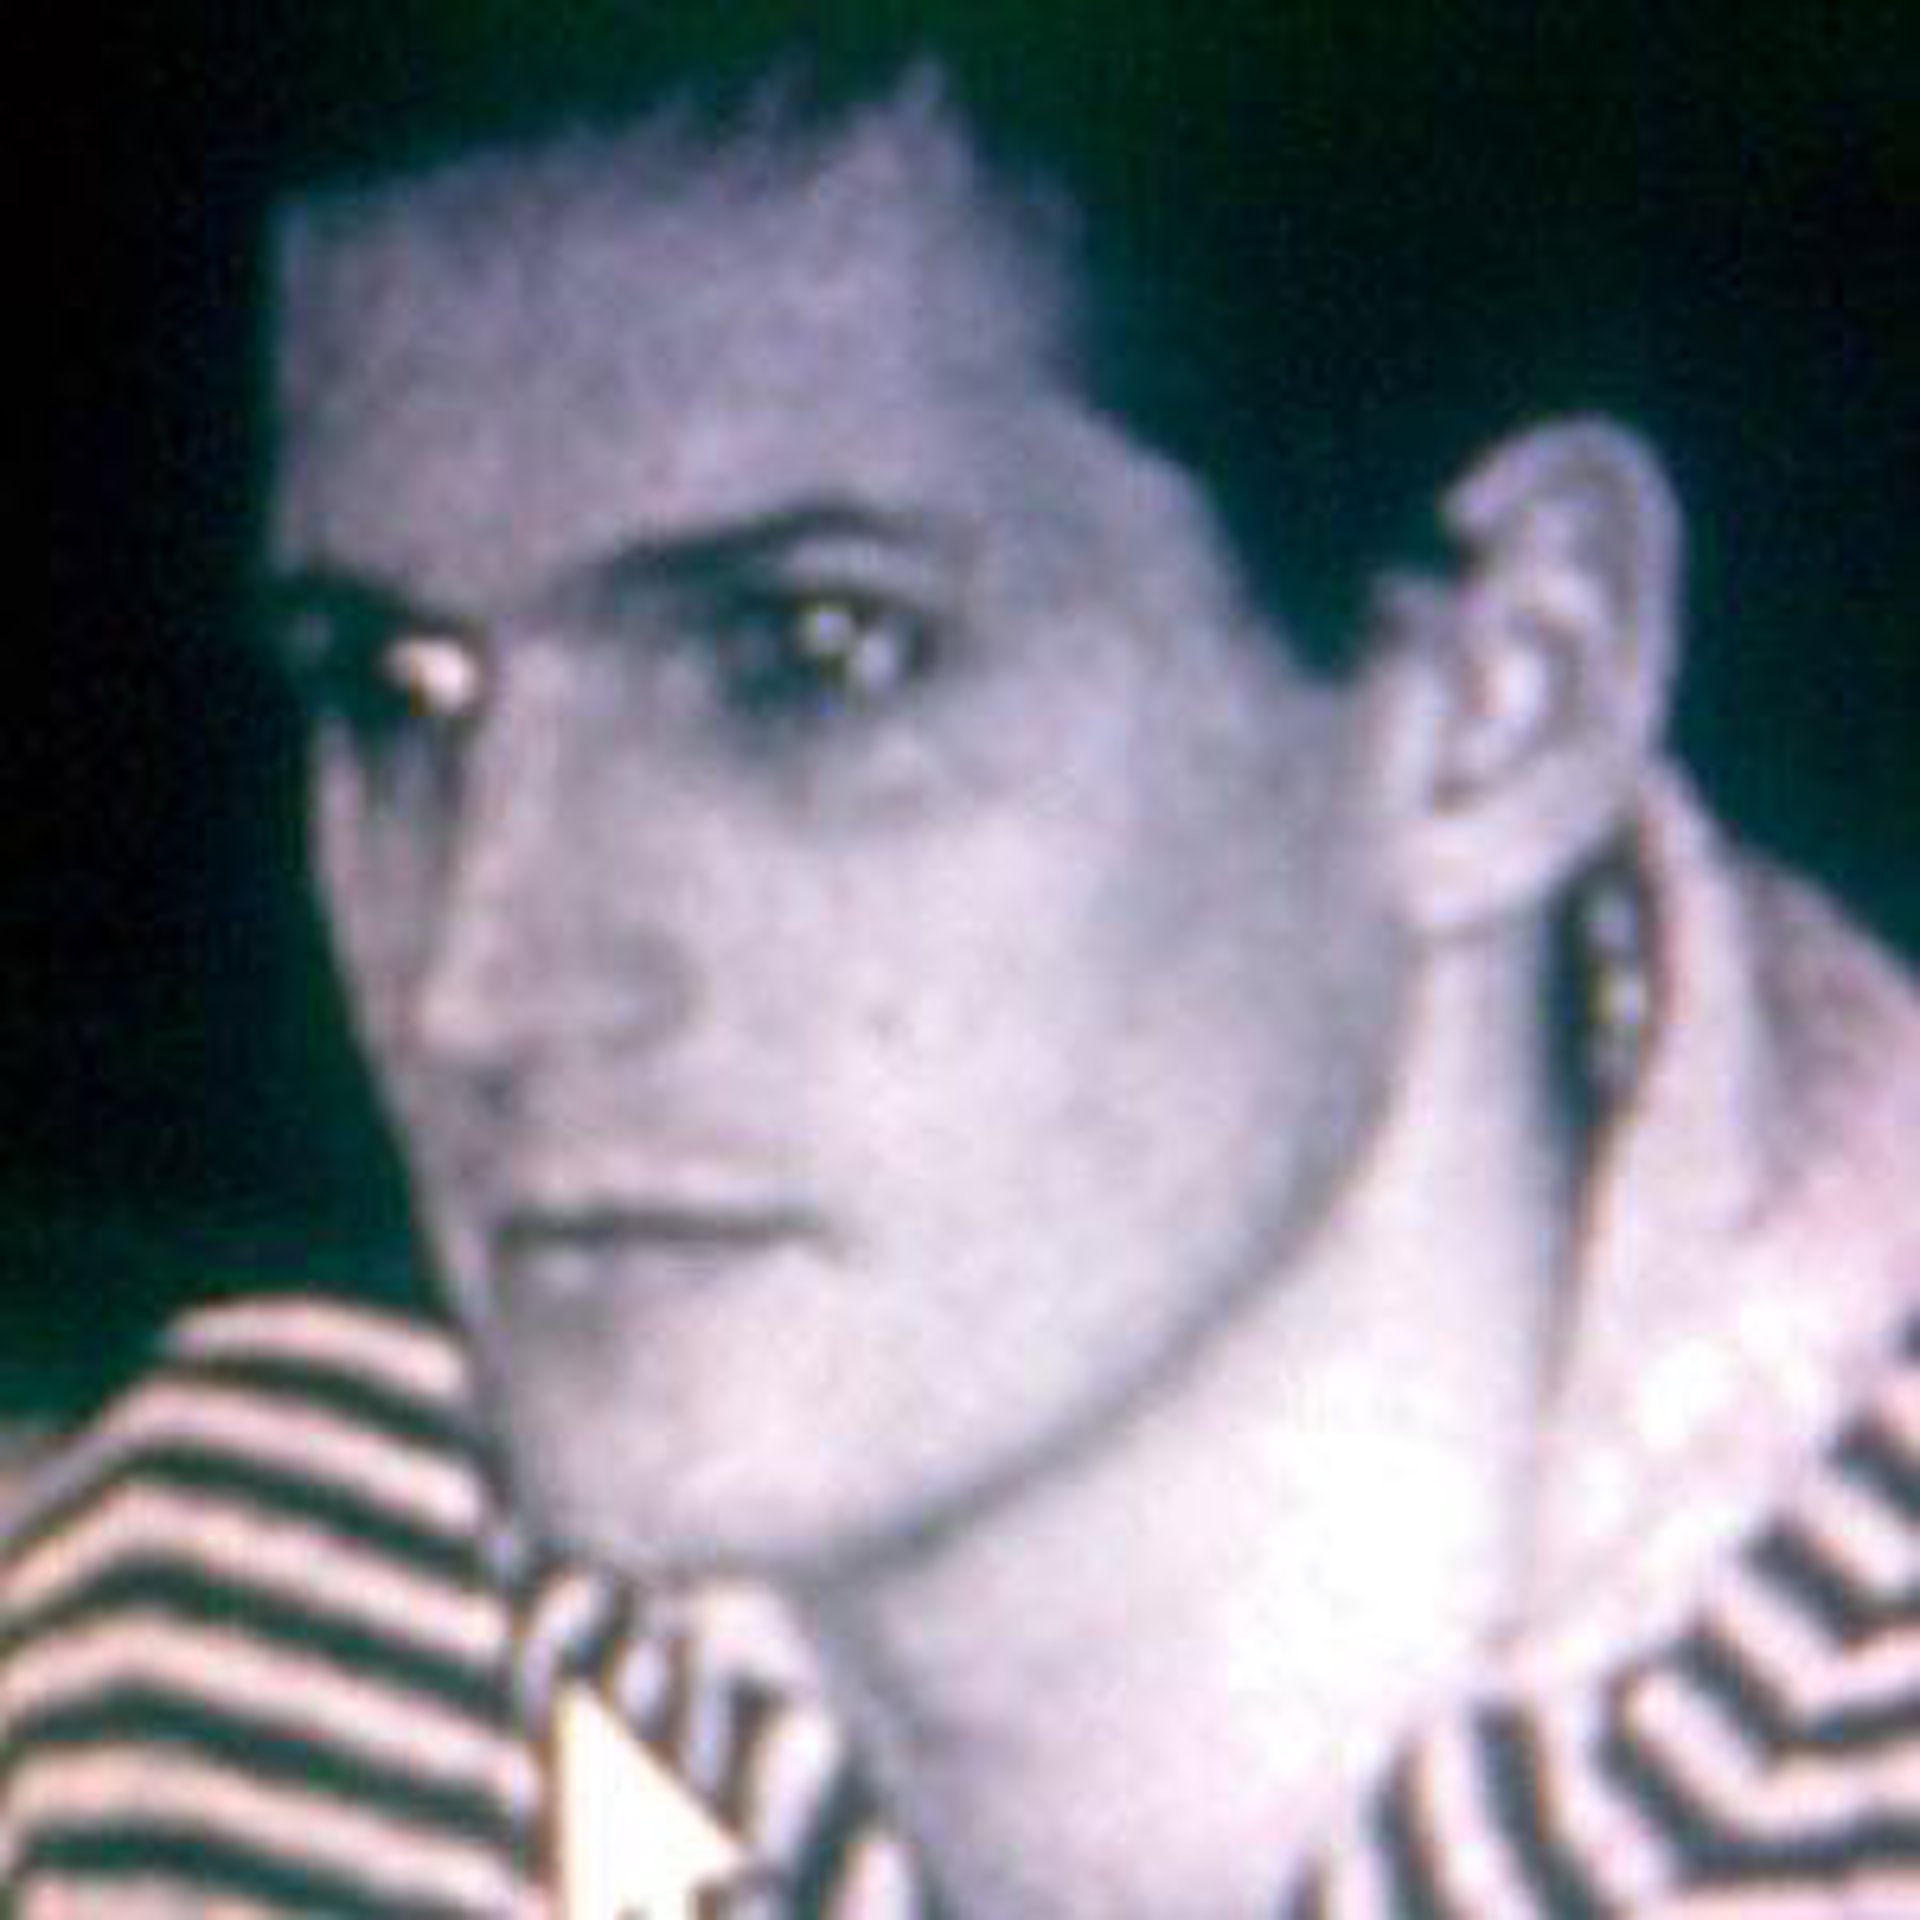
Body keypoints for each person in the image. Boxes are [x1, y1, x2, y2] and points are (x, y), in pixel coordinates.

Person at [4, 28, 1916, 1919]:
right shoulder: (223, 1640)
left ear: (1505, 699)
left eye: (814, 656)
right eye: (395, 693)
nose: (472, 987)